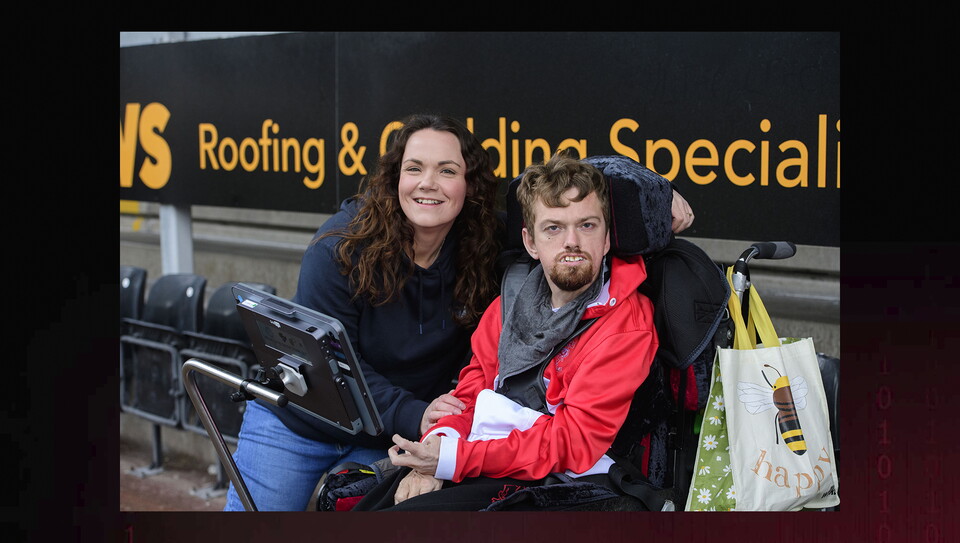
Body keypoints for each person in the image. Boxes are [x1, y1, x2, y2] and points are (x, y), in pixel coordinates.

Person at [351, 152, 660, 511]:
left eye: (587, 225)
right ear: (531, 242)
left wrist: (454, 459)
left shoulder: (626, 324)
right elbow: (470, 389)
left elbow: (573, 443)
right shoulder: (511, 299)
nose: (572, 241)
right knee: (371, 511)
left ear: (606, 239)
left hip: (563, 480)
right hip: (486, 451)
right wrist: (439, 443)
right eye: (554, 228)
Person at [224, 114, 501, 511]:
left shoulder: (483, 246)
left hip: (390, 437)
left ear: (469, 185)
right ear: (394, 180)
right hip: (298, 422)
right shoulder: (340, 246)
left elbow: (555, 224)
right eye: (414, 168)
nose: (428, 183)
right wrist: (416, 413)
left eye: (447, 170)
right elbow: (334, 364)